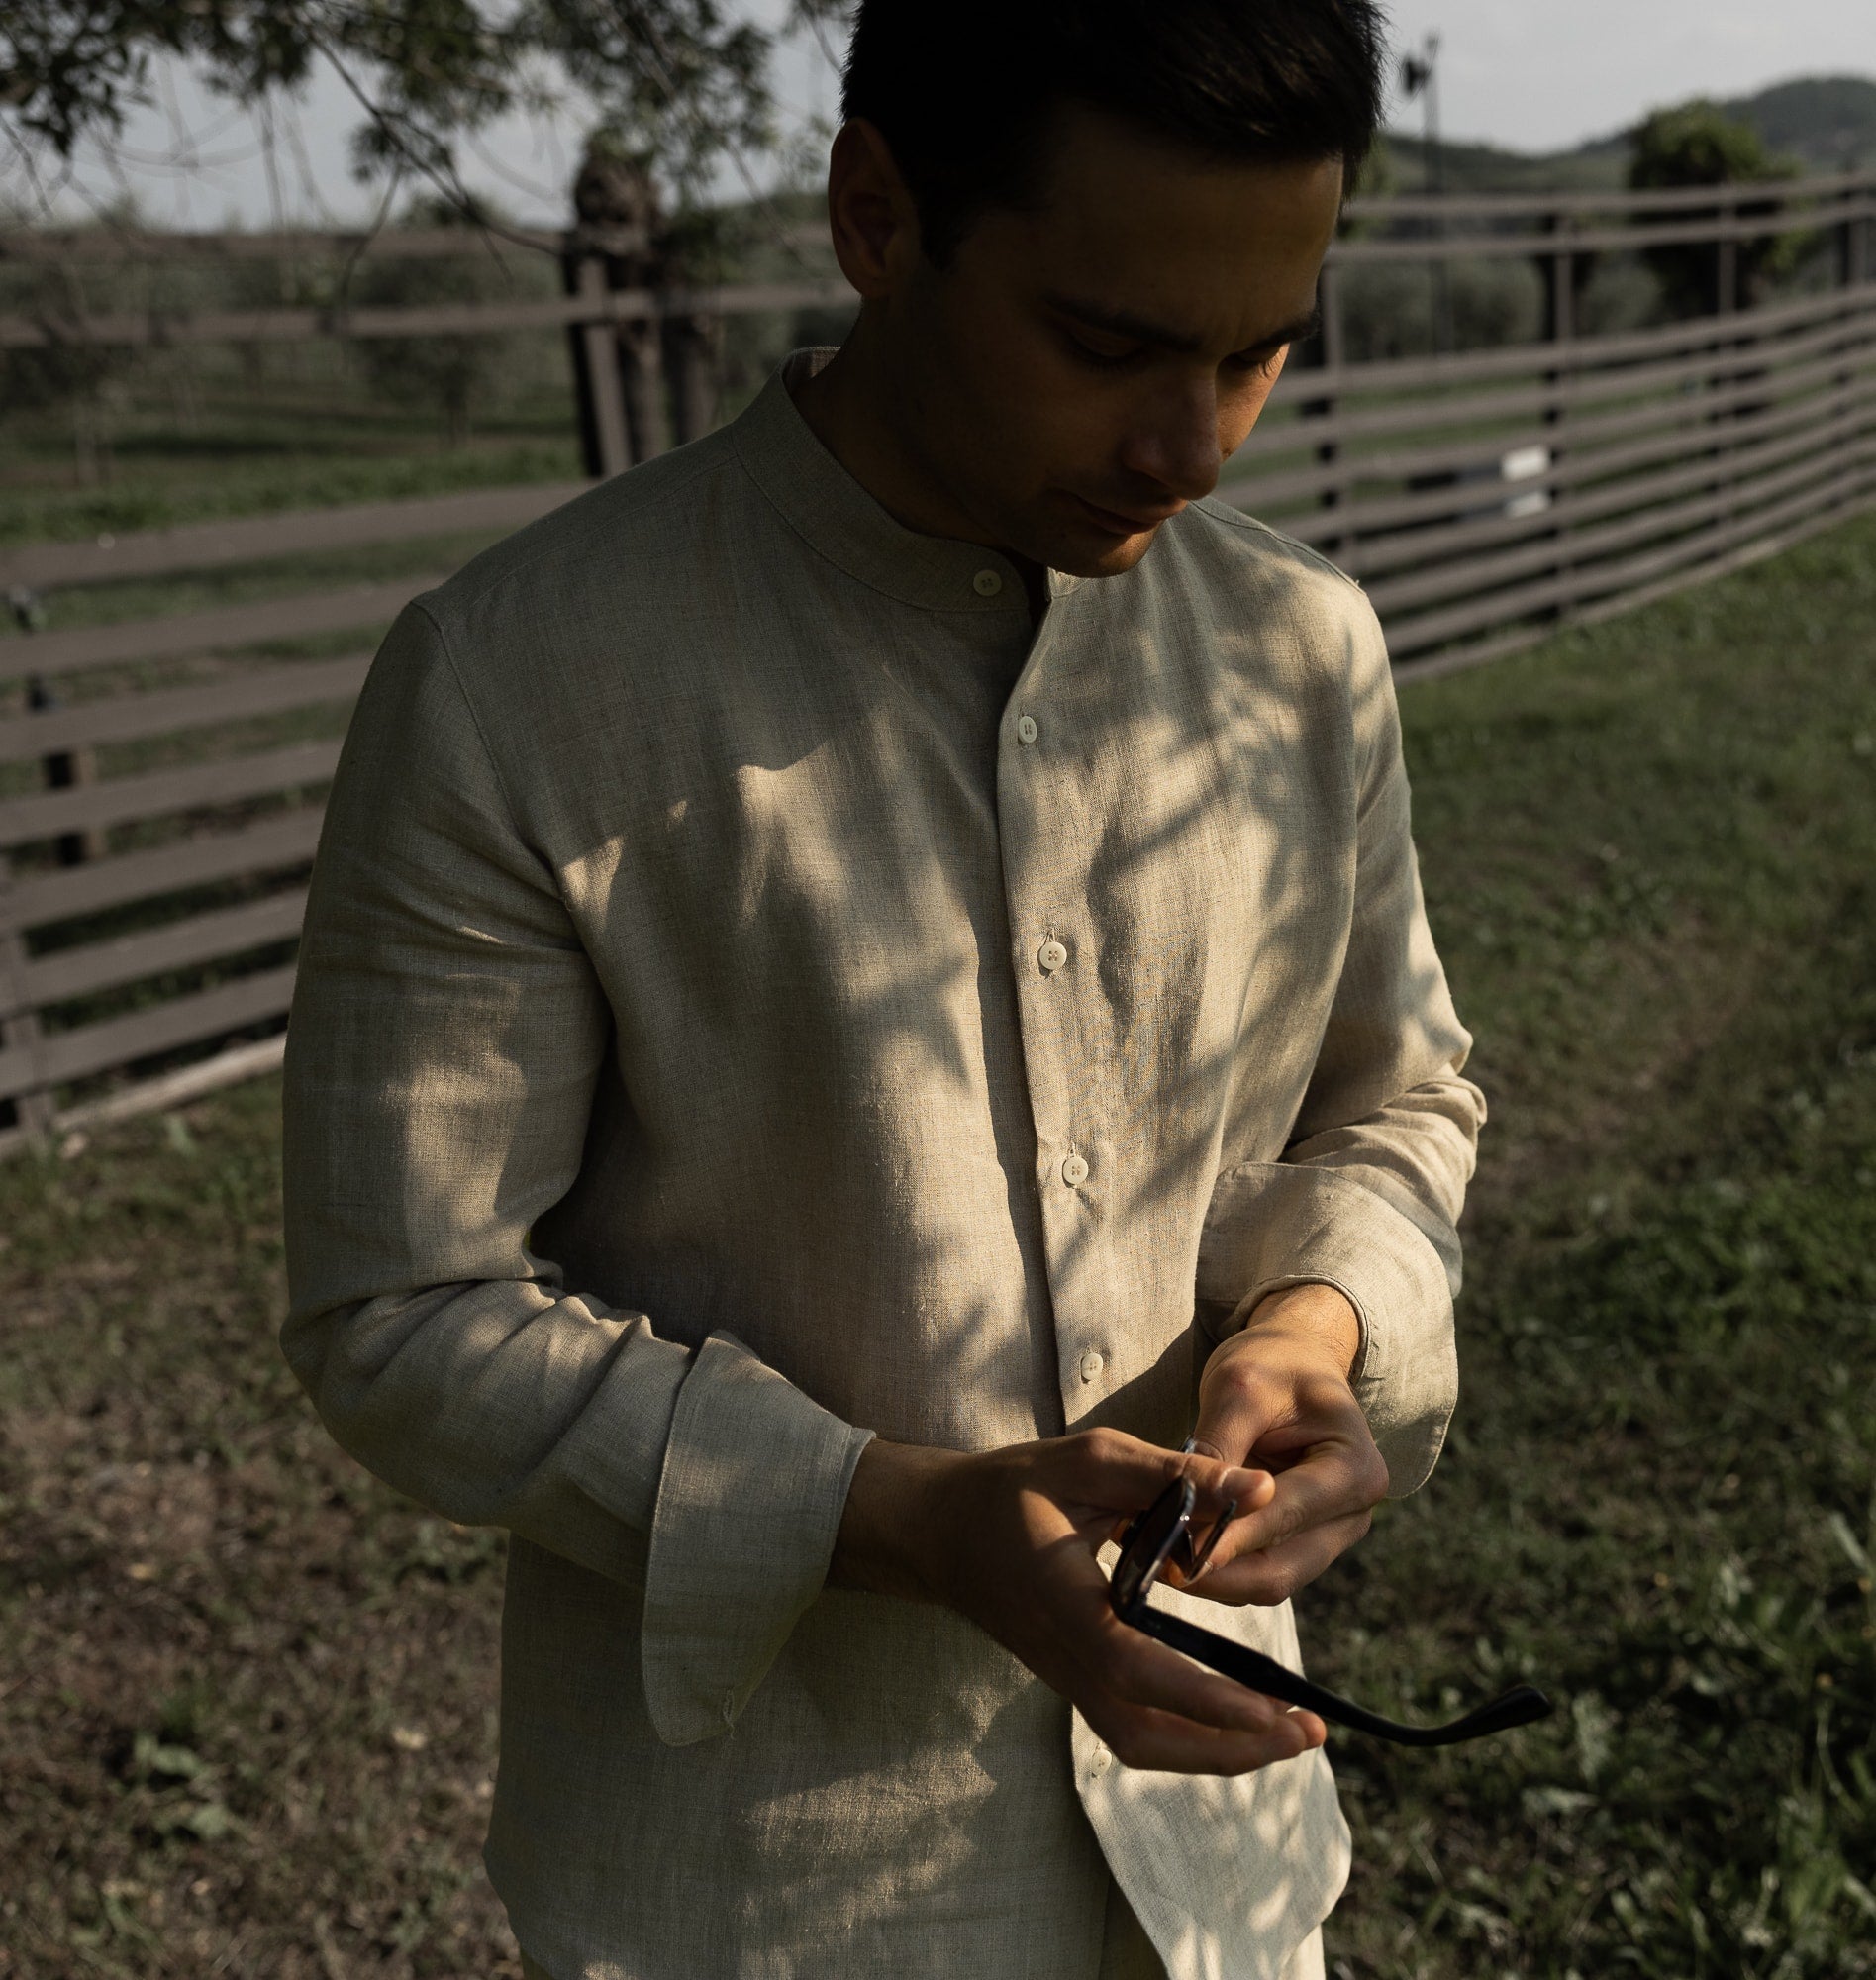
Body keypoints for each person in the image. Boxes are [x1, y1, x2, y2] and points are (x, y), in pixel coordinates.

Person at [280, 2, 1485, 1975]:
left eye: (1257, 351)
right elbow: (398, 1308)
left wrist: (1323, 1326)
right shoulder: (518, 684)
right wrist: (888, 1513)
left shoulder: (1301, 653)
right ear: (876, 214)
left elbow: (1397, 1098)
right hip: (749, 1902)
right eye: (1104, 342)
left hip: (1226, 1882)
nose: (1192, 447)